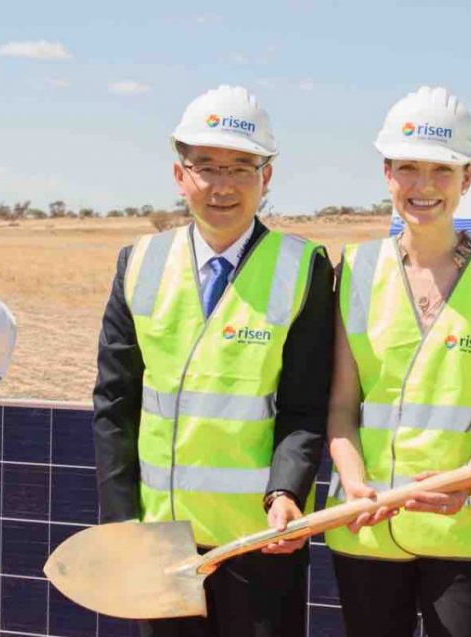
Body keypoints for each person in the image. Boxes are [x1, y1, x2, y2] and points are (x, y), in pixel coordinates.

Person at [91, 85, 333, 637]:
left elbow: (305, 405)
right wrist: (122, 520)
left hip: (260, 540)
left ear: (265, 178)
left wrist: (287, 492)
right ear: (181, 176)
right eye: (206, 167)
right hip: (162, 544)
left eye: (240, 168)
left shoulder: (304, 268)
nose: (222, 186)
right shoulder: (139, 263)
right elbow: (115, 402)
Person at [324, 86, 471, 637]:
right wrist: (354, 486)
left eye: (443, 171)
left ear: (468, 178)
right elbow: (344, 404)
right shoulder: (356, 269)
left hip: (467, 523)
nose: (424, 186)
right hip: (367, 524)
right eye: (409, 169)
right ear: (387, 174)